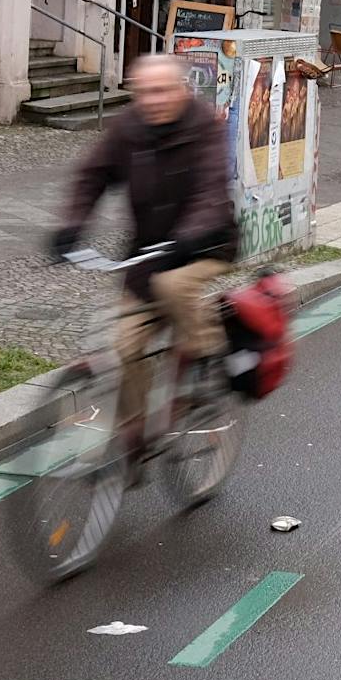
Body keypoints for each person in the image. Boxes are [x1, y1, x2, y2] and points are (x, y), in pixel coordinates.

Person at [50, 55, 236, 467]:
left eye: (162, 90)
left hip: (206, 245)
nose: (153, 100)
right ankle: (135, 433)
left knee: (173, 287)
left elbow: (211, 190)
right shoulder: (128, 128)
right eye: (144, 92)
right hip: (148, 254)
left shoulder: (203, 126)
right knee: (123, 345)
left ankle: (206, 354)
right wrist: (71, 226)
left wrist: (188, 239)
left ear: (182, 90)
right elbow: (93, 175)